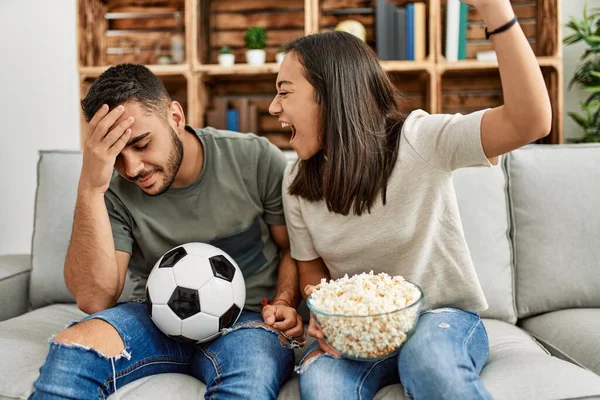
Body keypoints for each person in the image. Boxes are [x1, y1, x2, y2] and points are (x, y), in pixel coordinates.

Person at [268, 0, 551, 398]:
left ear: (330, 95)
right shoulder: (297, 179)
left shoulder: (419, 140)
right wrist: (327, 317)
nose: (273, 107)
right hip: (360, 331)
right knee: (320, 381)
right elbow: (312, 274)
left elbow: (532, 120)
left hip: (439, 319)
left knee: (429, 359)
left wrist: (495, 12)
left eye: (284, 92)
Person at [30, 64, 304, 399]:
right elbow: (95, 298)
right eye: (116, 155)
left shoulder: (253, 157)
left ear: (175, 116)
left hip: (246, 321)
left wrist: (283, 300)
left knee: (250, 379)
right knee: (72, 349)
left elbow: (292, 248)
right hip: (154, 316)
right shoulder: (111, 189)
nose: (132, 168)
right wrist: (90, 186)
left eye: (142, 144)